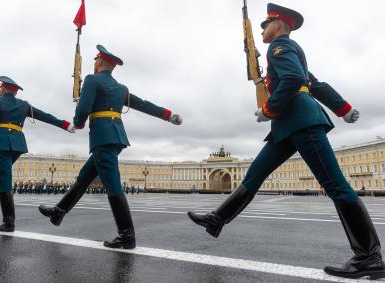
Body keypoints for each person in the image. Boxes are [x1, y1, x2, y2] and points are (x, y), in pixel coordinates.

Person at [187, 3, 384, 280]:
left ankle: (369, 256)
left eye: (266, 25)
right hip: (290, 125)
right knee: (254, 174)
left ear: (279, 24)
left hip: (301, 122)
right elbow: (314, 83)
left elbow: (293, 80)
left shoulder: (279, 47)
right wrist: (344, 108)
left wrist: (268, 110)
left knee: (335, 184)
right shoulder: (287, 51)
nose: (263, 30)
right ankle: (217, 219)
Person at [39, 44, 182, 249]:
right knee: (84, 178)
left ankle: (127, 236)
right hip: (115, 137)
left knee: (113, 185)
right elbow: (143, 104)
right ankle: (58, 212)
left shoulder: (91, 80)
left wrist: (78, 122)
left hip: (102, 137)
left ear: (100, 62)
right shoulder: (120, 88)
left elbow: (83, 112)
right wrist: (169, 116)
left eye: (96, 60)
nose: (94, 63)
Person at [0, 76, 74, 232]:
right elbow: (44, 116)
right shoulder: (23, 105)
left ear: (3, 88)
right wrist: (65, 124)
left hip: (0, 144)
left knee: (4, 180)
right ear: (15, 92)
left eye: (0, 87)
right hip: (17, 145)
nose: (0, 90)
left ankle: (9, 222)